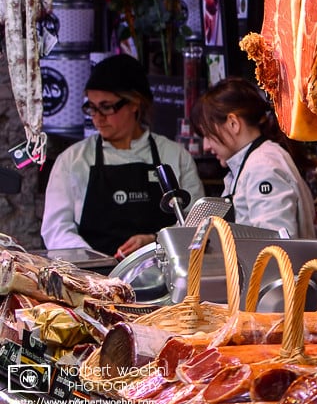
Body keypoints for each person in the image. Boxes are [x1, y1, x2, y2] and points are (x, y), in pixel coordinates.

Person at [41, 53, 204, 259]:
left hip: (165, 274)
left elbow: (196, 222)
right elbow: (56, 229)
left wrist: (156, 241)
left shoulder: (174, 155)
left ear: (134, 103)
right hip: (94, 280)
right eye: (91, 108)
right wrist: (95, 261)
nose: (97, 118)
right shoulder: (73, 160)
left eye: (106, 107)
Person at [191, 77, 316, 238]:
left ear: (233, 123)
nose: (206, 146)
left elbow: (275, 247)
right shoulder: (253, 162)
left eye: (208, 135)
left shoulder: (262, 166)